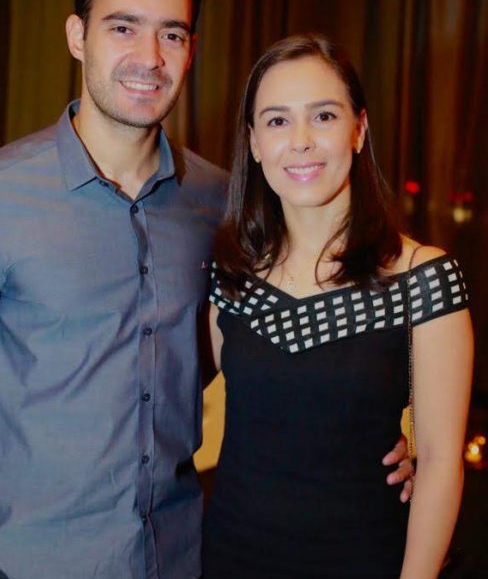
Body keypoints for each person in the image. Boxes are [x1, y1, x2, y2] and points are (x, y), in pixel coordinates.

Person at [0, 0, 411, 577]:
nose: (150, 56)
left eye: (172, 34)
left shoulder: (221, 203)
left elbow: (303, 326)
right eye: (123, 27)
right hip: (28, 560)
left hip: (179, 555)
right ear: (77, 36)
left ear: (191, 50)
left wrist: (409, 433)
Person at [202, 34, 474, 578]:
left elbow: (442, 464)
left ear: (359, 129)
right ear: (254, 142)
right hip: (230, 555)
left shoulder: (423, 279)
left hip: (364, 558)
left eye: (323, 116)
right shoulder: (230, 277)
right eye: (277, 121)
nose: (300, 141)